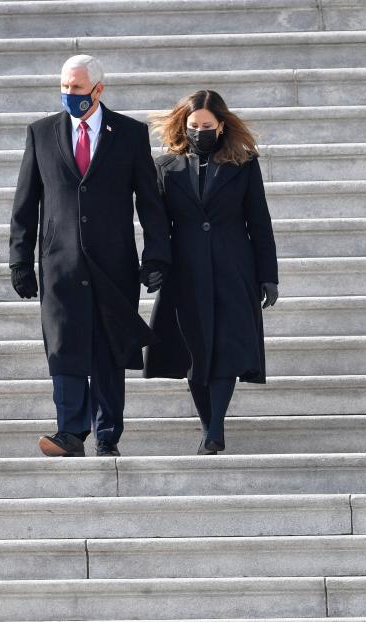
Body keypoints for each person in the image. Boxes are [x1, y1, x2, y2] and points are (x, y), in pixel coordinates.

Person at [9, 54, 171, 458]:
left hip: (113, 266)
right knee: (63, 349)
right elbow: (25, 203)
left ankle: (107, 434)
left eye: (77, 88)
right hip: (59, 265)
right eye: (64, 87)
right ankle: (69, 432)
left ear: (98, 89)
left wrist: (156, 257)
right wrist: (19, 259)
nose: (70, 95)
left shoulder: (130, 134)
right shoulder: (41, 133)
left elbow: (150, 203)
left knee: (108, 350)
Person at [145, 90, 279, 455]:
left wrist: (269, 274)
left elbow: (259, 222)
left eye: (207, 125)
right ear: (183, 126)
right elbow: (157, 225)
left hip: (233, 268)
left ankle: (214, 429)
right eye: (193, 126)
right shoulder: (165, 167)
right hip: (185, 270)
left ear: (221, 126)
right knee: (194, 351)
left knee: (225, 349)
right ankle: (210, 429)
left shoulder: (244, 164)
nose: (200, 131)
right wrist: (155, 264)